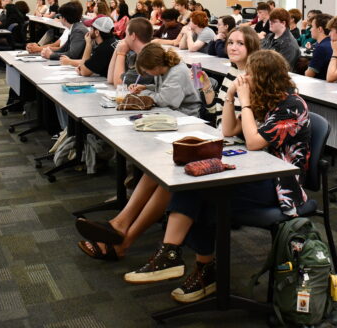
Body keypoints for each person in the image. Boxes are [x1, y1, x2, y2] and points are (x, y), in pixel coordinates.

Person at [123, 50, 310, 304]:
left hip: (281, 185)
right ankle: (185, 260)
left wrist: (244, 100)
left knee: (203, 192)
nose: (245, 78)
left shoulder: (291, 106)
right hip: (254, 172)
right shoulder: (263, 98)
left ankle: (193, 265)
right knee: (197, 185)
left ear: (265, 77)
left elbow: (254, 142)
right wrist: (232, 97)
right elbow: (229, 129)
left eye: (249, 75)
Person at [74, 44, 203, 264]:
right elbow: (161, 95)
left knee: (163, 174)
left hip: (187, 124)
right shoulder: (166, 71)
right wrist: (146, 90)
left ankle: (120, 235)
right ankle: (119, 225)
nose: (147, 75)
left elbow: (167, 100)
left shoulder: (178, 71)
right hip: (176, 123)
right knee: (155, 171)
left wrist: (148, 92)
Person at [107, 17, 154, 87]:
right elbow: (110, 79)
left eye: (126, 35)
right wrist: (118, 49)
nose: (124, 39)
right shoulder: (135, 54)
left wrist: (121, 54)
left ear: (133, 36)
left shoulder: (147, 58)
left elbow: (119, 85)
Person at [305, 13, 333, 78]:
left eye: (312, 26)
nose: (310, 29)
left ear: (320, 29)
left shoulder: (321, 48)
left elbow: (309, 74)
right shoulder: (331, 43)